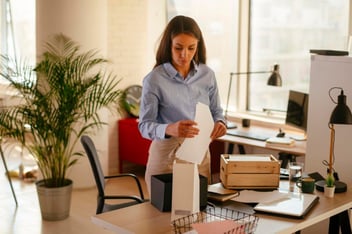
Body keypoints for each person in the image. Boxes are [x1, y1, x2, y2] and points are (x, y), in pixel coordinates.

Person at [138, 15, 227, 195]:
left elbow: (216, 110)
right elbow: (144, 126)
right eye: (178, 48)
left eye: (191, 48)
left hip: (199, 153)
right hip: (166, 156)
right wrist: (170, 129)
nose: (184, 54)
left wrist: (220, 123)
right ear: (168, 46)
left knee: (199, 212)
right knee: (160, 218)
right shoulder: (154, 79)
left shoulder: (207, 75)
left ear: (198, 47)